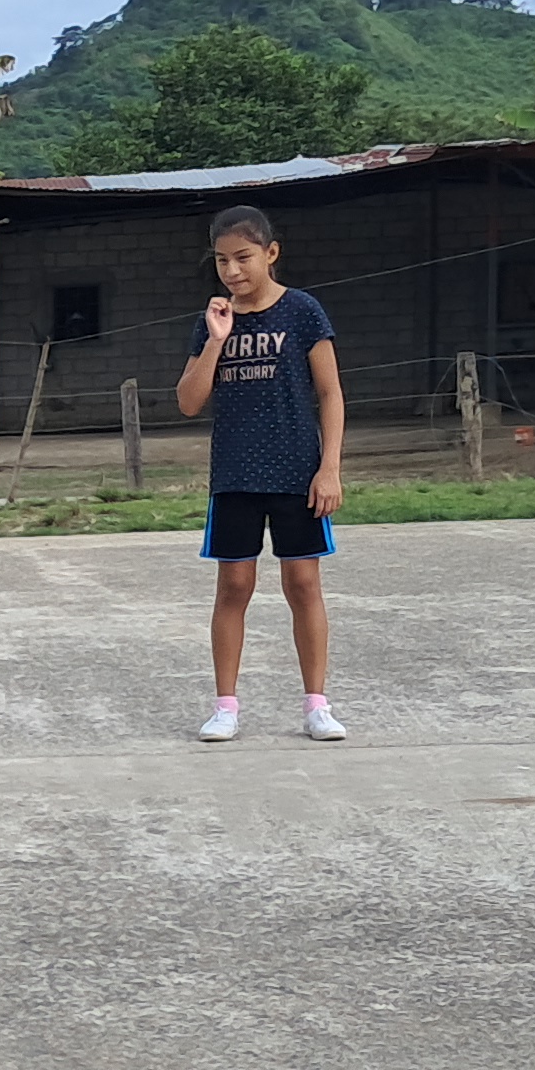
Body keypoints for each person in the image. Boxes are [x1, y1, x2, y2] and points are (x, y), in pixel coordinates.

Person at [172, 205, 348, 742]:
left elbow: (330, 393)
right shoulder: (212, 319)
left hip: (297, 472)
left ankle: (317, 706)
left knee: (303, 583)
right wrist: (216, 339)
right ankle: (225, 707)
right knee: (234, 586)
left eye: (243, 257)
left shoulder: (303, 311)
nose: (232, 270)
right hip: (235, 475)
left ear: (271, 253)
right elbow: (188, 402)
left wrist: (330, 468)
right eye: (221, 260)